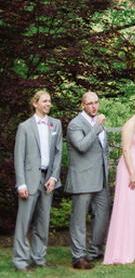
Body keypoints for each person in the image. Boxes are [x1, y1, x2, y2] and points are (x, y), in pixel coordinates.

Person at [12, 89, 62, 272]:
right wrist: (21, 183)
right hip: (30, 180)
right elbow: (19, 157)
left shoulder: (55, 125)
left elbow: (58, 153)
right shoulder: (24, 127)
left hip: (48, 181)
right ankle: (20, 261)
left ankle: (39, 258)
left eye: (49, 101)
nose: (48, 104)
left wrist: (54, 177)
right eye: (44, 101)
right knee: (24, 222)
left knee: (43, 221)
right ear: (35, 103)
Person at [66, 90, 110, 270]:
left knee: (102, 215)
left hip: (101, 178)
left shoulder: (97, 123)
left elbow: (103, 150)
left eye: (96, 102)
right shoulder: (75, 124)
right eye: (90, 103)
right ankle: (78, 256)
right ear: (82, 105)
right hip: (82, 178)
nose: (94, 106)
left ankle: (94, 251)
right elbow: (82, 146)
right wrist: (97, 126)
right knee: (79, 219)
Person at [104, 98, 135, 265]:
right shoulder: (129, 125)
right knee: (127, 205)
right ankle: (122, 249)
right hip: (129, 166)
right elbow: (125, 149)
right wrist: (132, 173)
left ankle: (134, 247)